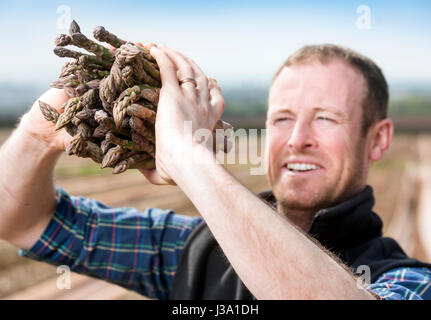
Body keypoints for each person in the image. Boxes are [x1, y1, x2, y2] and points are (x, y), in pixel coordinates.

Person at [0, 43, 430, 300]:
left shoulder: (406, 279)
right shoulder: (187, 250)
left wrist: (187, 157)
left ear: (378, 139)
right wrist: (45, 127)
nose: (298, 138)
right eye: (282, 118)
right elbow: (23, 220)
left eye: (326, 118)